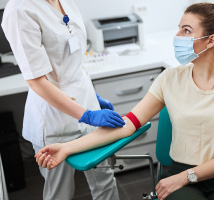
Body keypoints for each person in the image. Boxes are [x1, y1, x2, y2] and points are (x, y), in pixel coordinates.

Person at [35, 3, 214, 200]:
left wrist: (188, 176)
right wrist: (66, 148)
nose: (176, 36)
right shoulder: (169, 79)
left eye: (186, 30)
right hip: (179, 179)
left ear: (211, 40)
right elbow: (127, 124)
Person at [1, 0, 125, 199]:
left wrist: (92, 96)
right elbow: (37, 82)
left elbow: (73, 58)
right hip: (53, 121)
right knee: (60, 193)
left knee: (105, 181)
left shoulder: (65, 1)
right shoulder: (20, 9)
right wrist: (87, 114)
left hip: (87, 107)